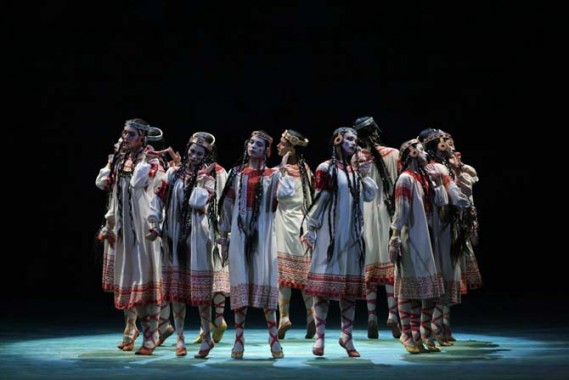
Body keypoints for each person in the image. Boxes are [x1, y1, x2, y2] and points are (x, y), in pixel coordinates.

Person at [302, 127, 378, 358]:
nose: (354, 143)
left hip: (352, 236)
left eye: (356, 140)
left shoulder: (355, 173)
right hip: (330, 235)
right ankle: (320, 338)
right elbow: (321, 200)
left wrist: (364, 175)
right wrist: (310, 227)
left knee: (348, 291)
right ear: (337, 140)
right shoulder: (326, 168)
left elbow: (369, 196)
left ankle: (347, 336)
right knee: (323, 289)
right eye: (350, 139)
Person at [95, 118, 167, 355]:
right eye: (124, 133)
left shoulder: (152, 161)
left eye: (131, 135)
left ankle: (151, 335)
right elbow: (104, 185)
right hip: (123, 226)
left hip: (143, 224)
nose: (125, 138)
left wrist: (155, 224)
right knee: (127, 278)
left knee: (144, 278)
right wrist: (110, 161)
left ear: (143, 138)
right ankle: (130, 329)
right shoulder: (119, 159)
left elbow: (141, 184)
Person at [147, 131, 219, 358]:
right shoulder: (173, 173)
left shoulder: (208, 179)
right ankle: (179, 338)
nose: (194, 155)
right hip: (173, 234)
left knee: (200, 293)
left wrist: (201, 179)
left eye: (200, 152)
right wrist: (155, 222)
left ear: (206, 155)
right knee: (175, 291)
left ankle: (207, 337)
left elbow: (197, 201)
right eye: (192, 150)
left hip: (197, 238)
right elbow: (158, 198)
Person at [217, 130, 288, 359]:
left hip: (264, 235)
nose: (253, 147)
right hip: (239, 234)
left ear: (267, 150)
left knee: (265, 279)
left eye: (259, 145)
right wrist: (224, 235)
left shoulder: (273, 175)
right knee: (240, 280)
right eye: (251, 143)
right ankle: (239, 339)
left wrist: (284, 174)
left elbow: (285, 197)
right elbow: (227, 206)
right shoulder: (236, 174)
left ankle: (273, 338)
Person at [388, 138, 448, 354]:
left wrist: (439, 183)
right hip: (411, 237)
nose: (425, 154)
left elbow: (441, 202)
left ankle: (420, 333)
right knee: (410, 290)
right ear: (412, 153)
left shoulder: (423, 177)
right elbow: (401, 209)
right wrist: (395, 236)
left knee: (428, 291)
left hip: (428, 237)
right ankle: (407, 334)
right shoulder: (405, 179)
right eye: (421, 150)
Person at [417, 128, 470, 350]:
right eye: (442, 144)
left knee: (437, 279)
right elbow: (454, 195)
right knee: (441, 277)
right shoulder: (437, 168)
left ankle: (434, 328)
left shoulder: (424, 168)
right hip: (441, 227)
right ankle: (432, 328)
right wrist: (465, 205)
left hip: (432, 227)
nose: (447, 146)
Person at [353, 116, 401, 340]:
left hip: (364, 215)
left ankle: (371, 316)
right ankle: (392, 314)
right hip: (388, 214)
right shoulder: (394, 154)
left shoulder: (355, 158)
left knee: (369, 267)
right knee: (390, 266)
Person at [273, 129, 316, 340]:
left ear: (290, 148)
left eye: (281, 144)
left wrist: (280, 171)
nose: (278, 147)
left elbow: (282, 196)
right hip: (303, 225)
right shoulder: (307, 169)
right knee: (304, 273)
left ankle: (284, 317)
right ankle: (311, 316)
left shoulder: (285, 171)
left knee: (284, 274)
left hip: (286, 223)